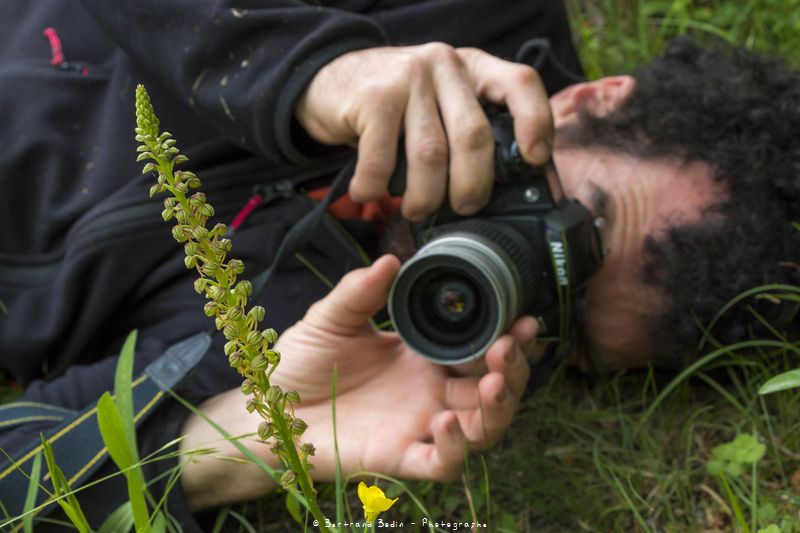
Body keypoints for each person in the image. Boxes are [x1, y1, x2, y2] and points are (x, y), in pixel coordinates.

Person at [1, 0, 798, 530]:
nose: (515, 287)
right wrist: (307, 71)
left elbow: (18, 477)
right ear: (586, 101)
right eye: (577, 229)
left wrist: (234, 436)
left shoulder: (314, 344)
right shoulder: (473, 14)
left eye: (566, 335)